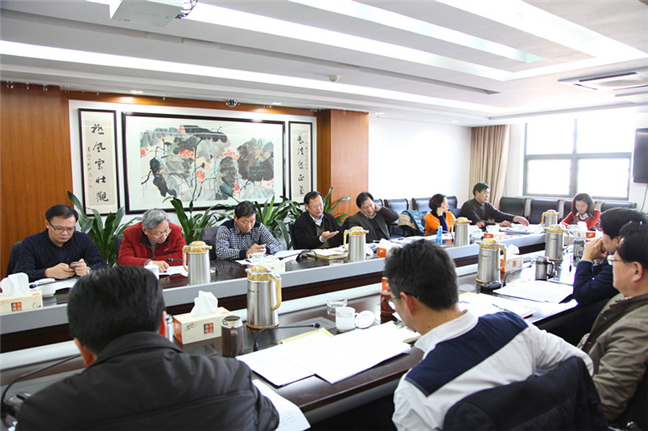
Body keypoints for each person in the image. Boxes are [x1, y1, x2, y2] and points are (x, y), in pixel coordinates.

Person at [16, 266, 279, 430]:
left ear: (82, 349)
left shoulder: (43, 414)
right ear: (164, 327)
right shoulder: (230, 377)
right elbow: (270, 419)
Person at [384, 240, 592, 430]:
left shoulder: (416, 393)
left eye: (394, 300)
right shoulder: (515, 328)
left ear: (408, 301)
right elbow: (582, 365)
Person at [580, 221, 648, 425]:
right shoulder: (625, 298)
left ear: (636, 271)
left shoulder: (636, 329)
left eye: (614, 260)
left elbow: (600, 406)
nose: (612, 265)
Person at [573, 208, 648, 305]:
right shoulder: (639, 252)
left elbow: (582, 295)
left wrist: (586, 258)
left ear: (618, 240)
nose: (601, 238)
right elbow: (600, 282)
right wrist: (599, 262)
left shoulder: (624, 262)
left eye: (603, 233)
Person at [14, 204, 106, 282]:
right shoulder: (31, 243)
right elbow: (21, 275)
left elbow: (103, 266)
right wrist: (47, 272)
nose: (65, 233)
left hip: (75, 291)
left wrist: (87, 270)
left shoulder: (82, 239)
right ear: (47, 224)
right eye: (59, 228)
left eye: (70, 229)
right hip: (42, 293)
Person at [117, 208, 186, 271]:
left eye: (166, 231)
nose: (164, 237)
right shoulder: (131, 233)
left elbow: (184, 256)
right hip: (142, 277)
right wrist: (149, 263)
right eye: (158, 234)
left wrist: (152, 262)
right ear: (145, 230)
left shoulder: (175, 231)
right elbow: (123, 260)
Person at [215, 200, 280, 259]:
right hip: (231, 266)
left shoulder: (258, 227)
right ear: (235, 218)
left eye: (252, 221)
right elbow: (221, 252)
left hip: (254, 265)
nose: (249, 226)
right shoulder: (226, 228)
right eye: (245, 222)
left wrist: (264, 250)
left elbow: (275, 245)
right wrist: (246, 253)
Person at [459, 182, 529, 228]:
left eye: (488, 193)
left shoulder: (487, 205)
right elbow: (479, 222)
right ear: (477, 192)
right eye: (485, 193)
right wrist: (498, 225)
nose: (487, 196)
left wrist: (516, 218)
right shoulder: (468, 205)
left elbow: (499, 214)